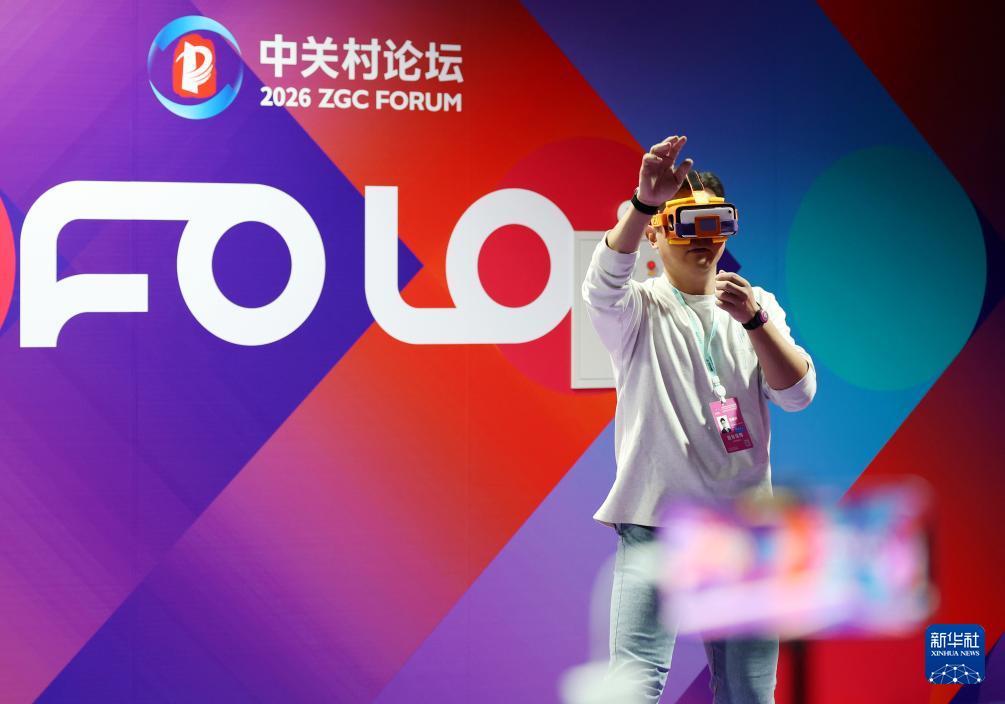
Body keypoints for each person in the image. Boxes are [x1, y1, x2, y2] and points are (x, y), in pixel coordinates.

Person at [582, 135, 816, 703]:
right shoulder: (639, 308)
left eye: (715, 223)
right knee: (633, 687)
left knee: (749, 693)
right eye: (687, 223)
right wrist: (643, 202)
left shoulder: (756, 304)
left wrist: (756, 321)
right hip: (655, 523)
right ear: (657, 234)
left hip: (743, 531)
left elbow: (798, 394)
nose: (703, 239)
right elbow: (602, 285)